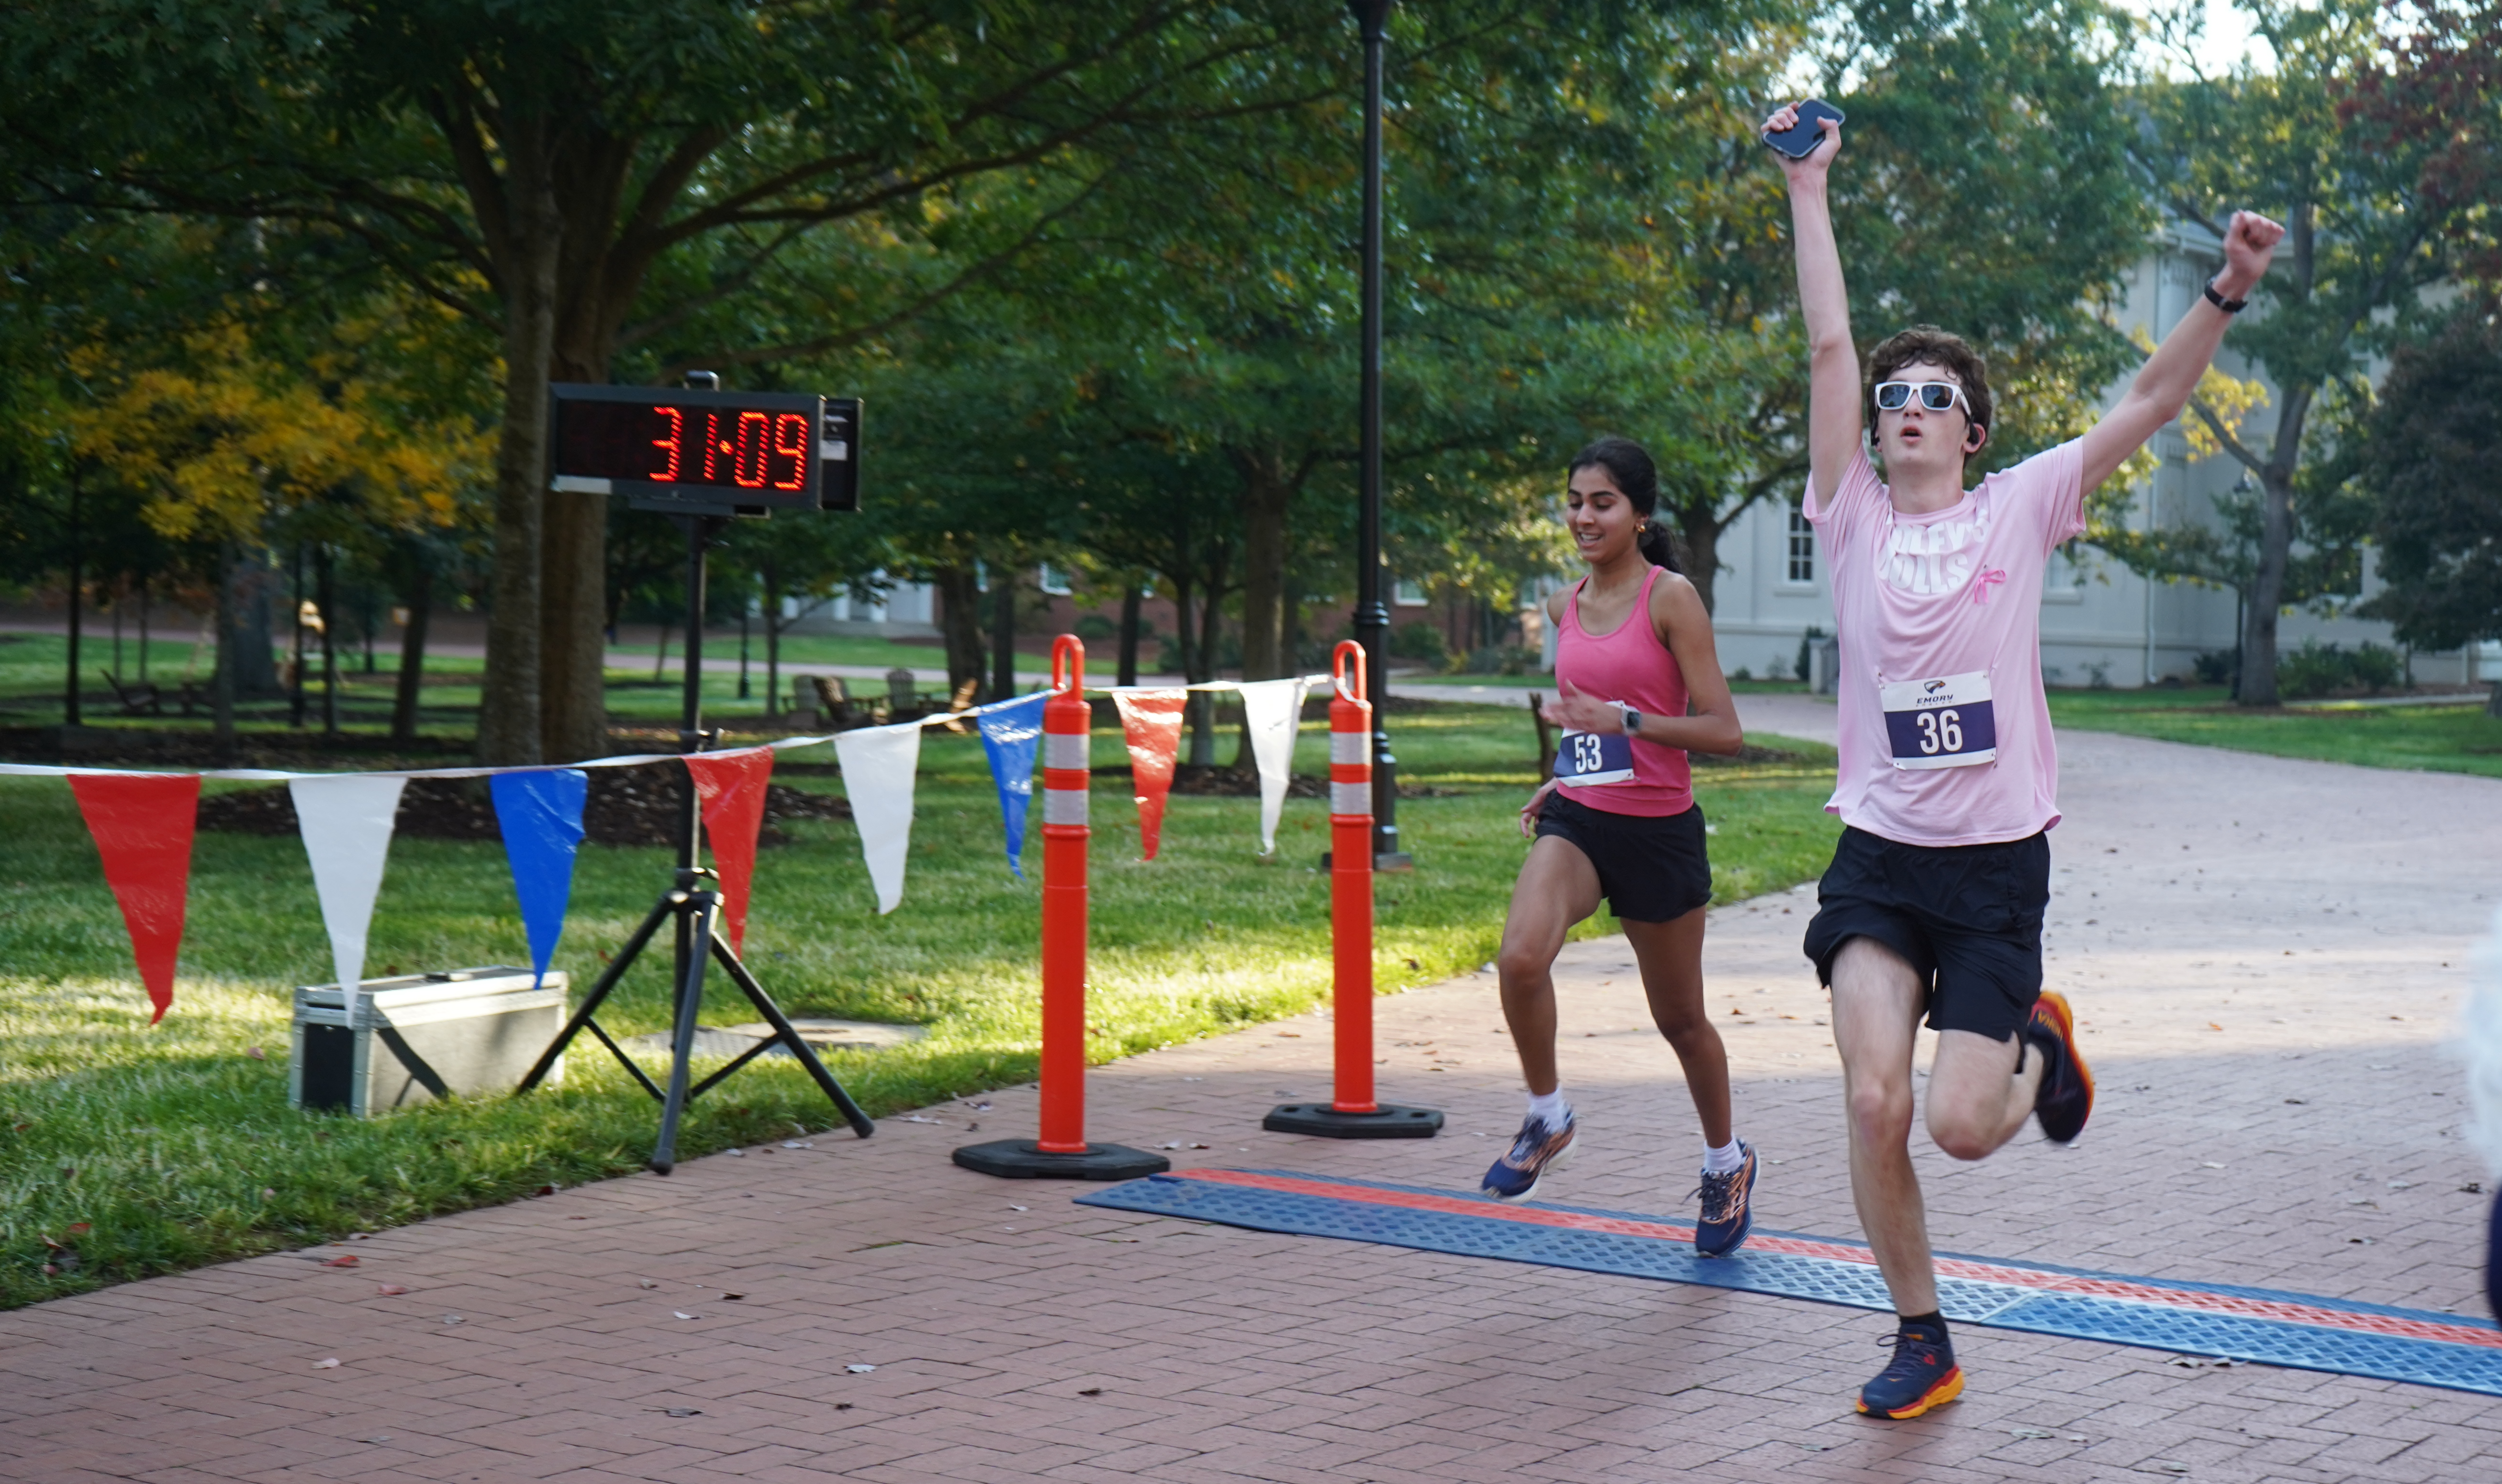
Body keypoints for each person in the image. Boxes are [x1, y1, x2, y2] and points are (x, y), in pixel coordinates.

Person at [1763, 100, 2284, 1418]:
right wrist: (1807, 186)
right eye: (1893, 399)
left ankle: (2040, 1051)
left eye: (1934, 398)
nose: (1905, 411)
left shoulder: (2025, 503)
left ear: (1974, 430)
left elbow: (2152, 397)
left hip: (1994, 869)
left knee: (1958, 1122)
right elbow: (1828, 339)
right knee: (1875, 1101)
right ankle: (1921, 1336)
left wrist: (2225, 286)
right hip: (1879, 859)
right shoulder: (1848, 518)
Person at [1490, 436, 1756, 1258]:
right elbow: (1586, 724)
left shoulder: (1669, 598)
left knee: (1679, 1019)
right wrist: (1566, 771)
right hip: (1580, 818)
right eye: (1573, 500)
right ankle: (1547, 1112)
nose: (1582, 516)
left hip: (1659, 833)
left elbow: (1725, 731)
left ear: (1639, 514)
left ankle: (1725, 1160)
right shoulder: (1567, 602)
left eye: (1601, 502)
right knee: (1520, 958)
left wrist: (1627, 723)